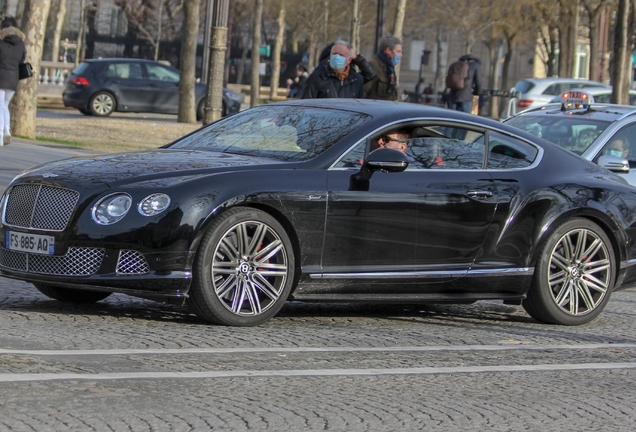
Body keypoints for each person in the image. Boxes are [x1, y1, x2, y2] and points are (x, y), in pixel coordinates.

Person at [0, 16, 26, 146]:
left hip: (1, 77)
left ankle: (0, 134)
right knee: (4, 105)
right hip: (13, 79)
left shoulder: (1, 43)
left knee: (0, 106)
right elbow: (22, 60)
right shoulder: (21, 44)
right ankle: (7, 131)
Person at [364, 35, 403, 101]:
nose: (401, 55)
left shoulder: (390, 68)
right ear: (388, 50)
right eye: (398, 51)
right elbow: (363, 91)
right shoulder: (373, 65)